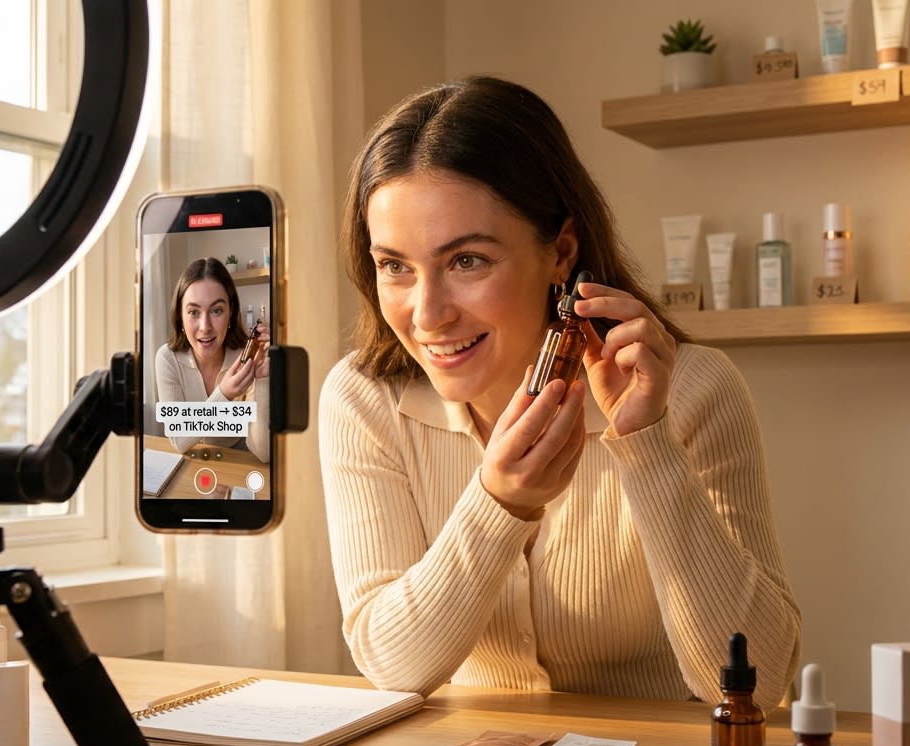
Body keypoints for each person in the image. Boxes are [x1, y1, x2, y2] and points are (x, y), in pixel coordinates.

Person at [319, 76, 800, 710]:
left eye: (467, 261)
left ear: (561, 252)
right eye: (395, 267)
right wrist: (499, 503)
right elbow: (393, 665)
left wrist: (647, 445)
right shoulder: (364, 399)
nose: (428, 314)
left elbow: (758, 685)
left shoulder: (694, 391)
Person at [155, 256, 270, 463]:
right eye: (193, 312)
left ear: (231, 313)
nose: (205, 326)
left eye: (216, 310)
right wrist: (224, 395)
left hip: (242, 456)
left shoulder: (249, 356)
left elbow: (263, 453)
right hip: (194, 455)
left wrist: (262, 380)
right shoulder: (167, 358)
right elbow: (178, 439)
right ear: (180, 317)